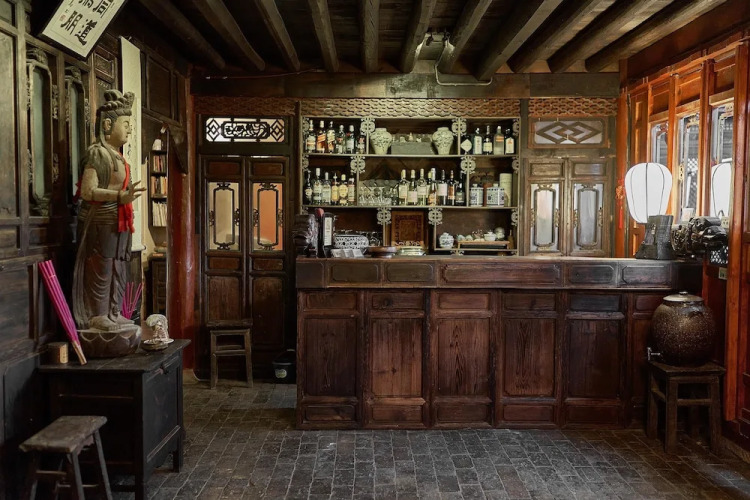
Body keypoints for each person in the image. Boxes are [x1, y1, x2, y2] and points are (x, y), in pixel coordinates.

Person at [73, 89, 145, 331]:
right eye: (126, 124)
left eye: (130, 125)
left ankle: (114, 312)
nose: (130, 130)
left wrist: (125, 199)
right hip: (101, 221)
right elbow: (88, 191)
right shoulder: (97, 153)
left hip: (120, 221)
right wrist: (118, 196)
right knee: (101, 268)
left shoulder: (120, 158)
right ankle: (98, 314)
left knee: (119, 267)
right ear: (107, 125)